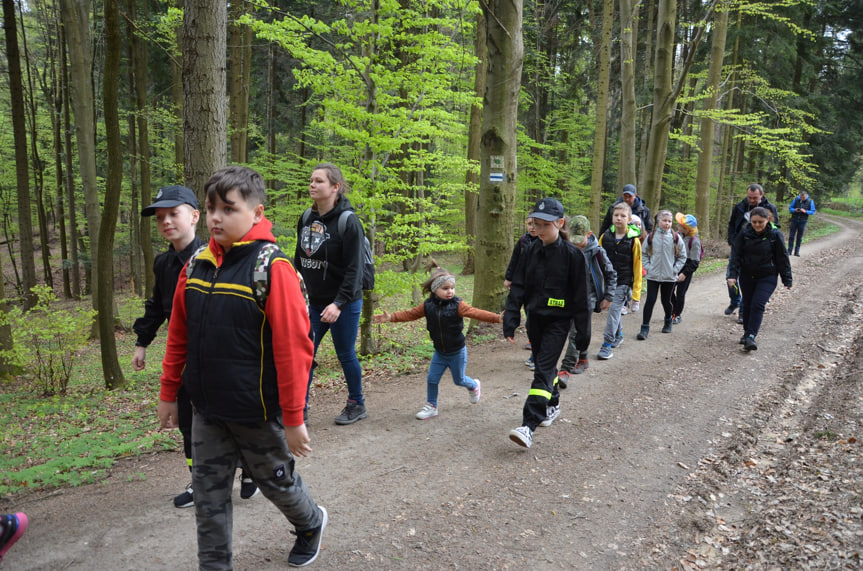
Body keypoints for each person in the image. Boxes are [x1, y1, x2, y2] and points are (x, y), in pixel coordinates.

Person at [158, 166, 327, 569]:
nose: (216, 217)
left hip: (257, 411)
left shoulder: (273, 268)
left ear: (256, 213)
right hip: (206, 410)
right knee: (209, 496)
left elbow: (294, 349)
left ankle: (310, 522)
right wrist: (168, 393)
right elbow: (178, 334)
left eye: (228, 208)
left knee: (276, 483)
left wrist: (293, 416)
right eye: (211, 207)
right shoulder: (195, 265)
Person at [132, 185, 259, 508]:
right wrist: (142, 342)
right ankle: (199, 481)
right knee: (188, 423)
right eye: (160, 217)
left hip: (219, 356)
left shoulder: (213, 258)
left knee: (229, 417)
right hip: (184, 358)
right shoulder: (163, 264)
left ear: (194, 216)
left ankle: (247, 469)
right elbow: (158, 306)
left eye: (174, 214)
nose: (166, 222)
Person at [503, 198, 590, 449]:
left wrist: (583, 334)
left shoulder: (573, 256)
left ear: (560, 223)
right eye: (535, 224)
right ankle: (552, 404)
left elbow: (581, 299)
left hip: (558, 323)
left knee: (541, 369)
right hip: (535, 320)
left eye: (544, 225)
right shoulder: (530, 250)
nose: (538, 230)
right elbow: (518, 286)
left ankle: (528, 425)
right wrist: (511, 318)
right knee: (545, 366)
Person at [372, 268, 501, 419]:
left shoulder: (458, 305)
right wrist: (392, 317)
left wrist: (497, 318)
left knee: (459, 380)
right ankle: (432, 406)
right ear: (435, 290)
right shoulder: (427, 306)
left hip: (457, 352)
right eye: (445, 288)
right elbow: (410, 314)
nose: (450, 291)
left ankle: (474, 386)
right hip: (439, 352)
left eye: (452, 288)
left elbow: (476, 313)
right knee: (432, 379)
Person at [295, 163, 368, 425]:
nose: (312, 185)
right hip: (313, 303)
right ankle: (298, 408)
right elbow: (299, 262)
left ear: (335, 187)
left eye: (319, 181)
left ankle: (356, 403)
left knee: (345, 353)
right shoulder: (305, 218)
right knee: (304, 354)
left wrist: (338, 304)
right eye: (311, 180)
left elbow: (354, 270)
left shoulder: (349, 222)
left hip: (345, 302)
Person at [555, 215, 616, 383]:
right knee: (577, 330)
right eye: (571, 240)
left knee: (575, 332)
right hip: (568, 296)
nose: (574, 244)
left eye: (578, 240)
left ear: (589, 235)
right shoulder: (565, 249)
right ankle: (583, 359)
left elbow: (611, 274)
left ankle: (565, 370)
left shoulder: (598, 252)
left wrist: (609, 296)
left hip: (588, 297)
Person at [727, 206, 792, 351]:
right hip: (747, 275)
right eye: (754, 222)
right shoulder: (744, 233)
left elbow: (782, 258)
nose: (757, 225)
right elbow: (736, 256)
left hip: (767, 276)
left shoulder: (775, 234)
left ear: (767, 220)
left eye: (760, 222)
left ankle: (751, 336)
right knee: (748, 305)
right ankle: (746, 333)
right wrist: (732, 275)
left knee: (758, 304)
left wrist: (787, 279)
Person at [594, 202, 642, 362]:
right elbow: (597, 260)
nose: (619, 218)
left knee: (614, 311)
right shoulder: (604, 237)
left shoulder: (634, 241)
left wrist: (636, 293)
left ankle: (607, 344)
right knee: (613, 312)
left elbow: (637, 267)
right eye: (616, 215)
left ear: (629, 219)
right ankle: (619, 334)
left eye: (623, 216)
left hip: (623, 282)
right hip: (607, 281)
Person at [725, 183, 780, 316]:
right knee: (730, 276)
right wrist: (731, 240)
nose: (751, 200)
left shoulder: (770, 208)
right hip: (739, 246)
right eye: (749, 197)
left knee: (748, 279)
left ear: (762, 195)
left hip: (758, 249)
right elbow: (732, 224)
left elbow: (776, 227)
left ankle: (744, 311)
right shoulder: (740, 206)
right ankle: (735, 301)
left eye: (754, 198)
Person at [637, 210, 686, 339]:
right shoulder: (651, 237)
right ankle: (644, 328)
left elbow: (682, 256)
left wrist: (674, 270)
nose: (667, 223)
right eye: (664, 220)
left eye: (669, 221)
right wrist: (648, 267)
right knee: (650, 300)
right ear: (658, 221)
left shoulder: (676, 238)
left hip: (669, 277)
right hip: (653, 276)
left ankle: (668, 320)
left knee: (666, 301)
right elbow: (643, 253)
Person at [504, 216, 539, 368]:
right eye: (529, 224)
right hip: (523, 285)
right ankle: (534, 349)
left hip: (539, 288)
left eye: (535, 224)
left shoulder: (545, 242)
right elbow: (514, 260)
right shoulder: (522, 241)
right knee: (529, 320)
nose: (532, 227)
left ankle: (537, 356)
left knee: (537, 320)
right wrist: (509, 277)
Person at [670, 213, 702, 325]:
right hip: (675, 265)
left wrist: (684, 273)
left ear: (687, 229)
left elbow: (695, 262)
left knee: (680, 293)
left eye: (680, 225)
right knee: (669, 290)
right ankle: (672, 311)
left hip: (687, 267)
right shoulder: (676, 235)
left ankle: (677, 314)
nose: (677, 226)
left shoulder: (695, 241)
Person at [621, 213, 646, 314]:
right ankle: (624, 304)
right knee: (625, 287)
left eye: (640, 224)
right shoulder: (628, 238)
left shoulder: (643, 238)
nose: (638, 226)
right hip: (627, 266)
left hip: (639, 266)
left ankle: (635, 300)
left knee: (633, 285)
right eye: (636, 224)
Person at [787, 190, 816, 256]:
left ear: (806, 196)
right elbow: (790, 208)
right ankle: (789, 251)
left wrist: (805, 211)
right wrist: (795, 210)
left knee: (799, 237)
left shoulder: (810, 201)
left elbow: (813, 211)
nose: (802, 199)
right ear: (800, 196)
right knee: (791, 236)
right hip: (794, 220)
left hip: (803, 221)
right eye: (801, 197)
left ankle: (797, 252)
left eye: (803, 197)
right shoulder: (796, 199)